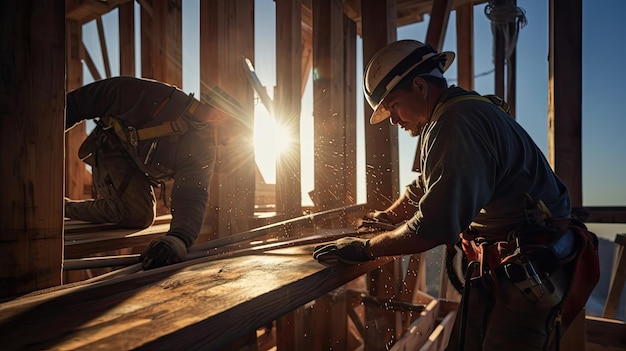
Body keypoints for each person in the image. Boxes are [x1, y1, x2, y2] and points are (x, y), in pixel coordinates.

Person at [313, 40, 599, 350]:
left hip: (528, 273)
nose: (393, 120)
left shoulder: (456, 121)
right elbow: (426, 184)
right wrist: (389, 217)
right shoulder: (456, 112)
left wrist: (366, 249)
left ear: (420, 86)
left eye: (393, 105)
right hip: (507, 266)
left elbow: (433, 227)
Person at [65, 76, 240, 270]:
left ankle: (66, 207)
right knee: (136, 215)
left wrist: (178, 239)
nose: (229, 142)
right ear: (218, 116)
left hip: (138, 167)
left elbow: (192, 194)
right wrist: (42, 130)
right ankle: (65, 208)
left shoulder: (202, 148)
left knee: (139, 216)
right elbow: (84, 101)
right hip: (111, 149)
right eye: (231, 132)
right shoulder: (156, 98)